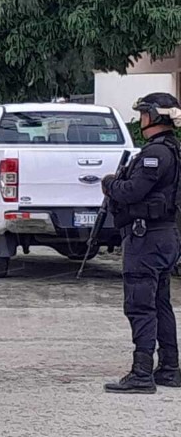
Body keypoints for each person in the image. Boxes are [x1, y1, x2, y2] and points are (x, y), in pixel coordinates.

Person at [102, 93, 181, 394]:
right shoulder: (170, 150)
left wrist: (110, 184)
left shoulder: (156, 154)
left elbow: (133, 191)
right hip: (163, 237)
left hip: (147, 238)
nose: (140, 119)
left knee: (140, 305)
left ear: (156, 117)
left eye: (144, 113)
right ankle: (170, 369)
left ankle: (142, 373)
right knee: (160, 304)